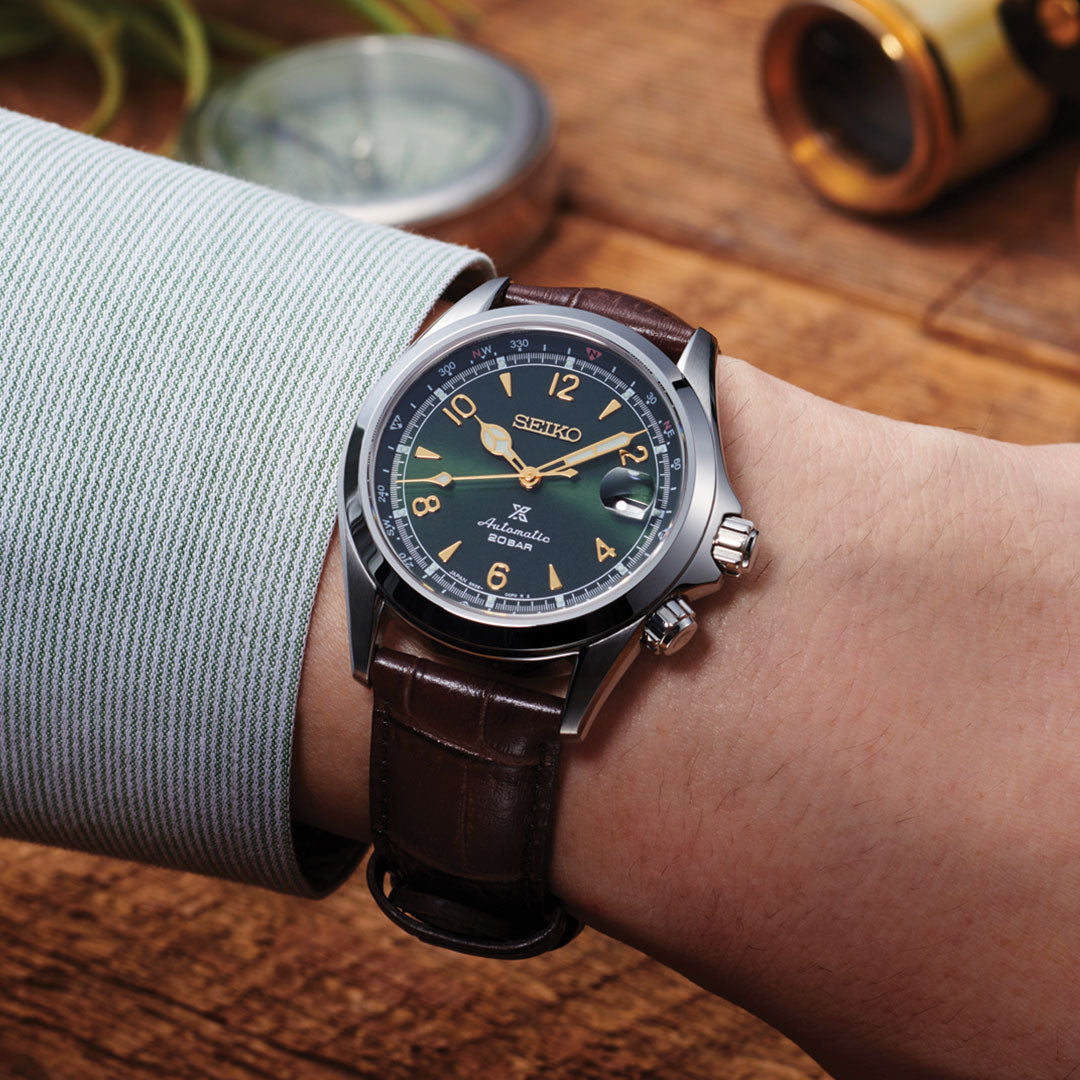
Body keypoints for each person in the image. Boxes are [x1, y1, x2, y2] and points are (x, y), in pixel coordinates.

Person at [3, 109, 1078, 1080]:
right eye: (526, 469)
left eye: (549, 475)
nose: (531, 484)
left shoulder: (681, 535)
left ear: (711, 544)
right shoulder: (403, 521)